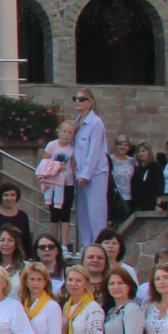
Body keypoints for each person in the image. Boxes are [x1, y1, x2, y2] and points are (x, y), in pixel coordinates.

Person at [70, 90, 108, 247]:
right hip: (79, 174)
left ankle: (99, 247)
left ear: (90, 102)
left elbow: (94, 151)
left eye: (81, 99)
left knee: (96, 214)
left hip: (96, 174)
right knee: (83, 215)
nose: (77, 101)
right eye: (75, 98)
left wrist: (86, 174)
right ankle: (87, 247)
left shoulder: (96, 123)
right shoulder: (77, 122)